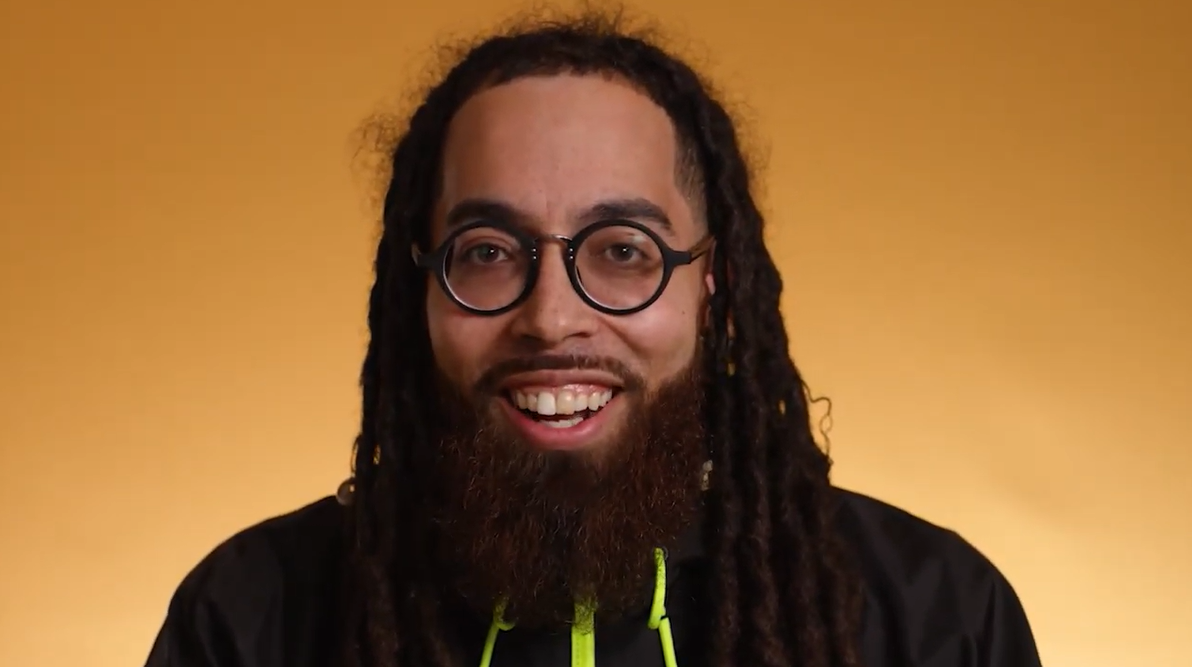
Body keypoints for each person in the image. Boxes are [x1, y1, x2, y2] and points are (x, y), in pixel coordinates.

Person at [143, 11, 1042, 667]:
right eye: (489, 251)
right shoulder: (254, 617)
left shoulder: (935, 621)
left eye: (622, 250)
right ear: (420, 284)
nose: (551, 315)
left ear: (711, 280)